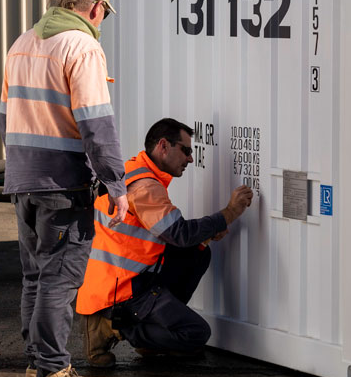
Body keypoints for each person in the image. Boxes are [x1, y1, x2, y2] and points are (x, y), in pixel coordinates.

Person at [0, 0, 127, 377]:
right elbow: (96, 122)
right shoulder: (82, 46)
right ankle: (55, 375)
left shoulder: (22, 42)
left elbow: (6, 116)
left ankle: (36, 370)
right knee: (59, 280)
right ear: (95, 8)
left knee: (35, 278)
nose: (101, 23)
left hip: (23, 180)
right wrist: (115, 181)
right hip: (63, 183)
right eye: (103, 15)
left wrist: (20, 167)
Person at [76, 118, 253, 363]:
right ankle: (113, 327)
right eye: (186, 150)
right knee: (196, 334)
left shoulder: (133, 171)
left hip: (118, 281)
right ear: (163, 146)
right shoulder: (145, 187)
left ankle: (149, 333)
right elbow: (179, 234)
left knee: (198, 251)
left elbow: (169, 234)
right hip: (123, 291)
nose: (190, 158)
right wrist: (230, 213)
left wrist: (206, 234)